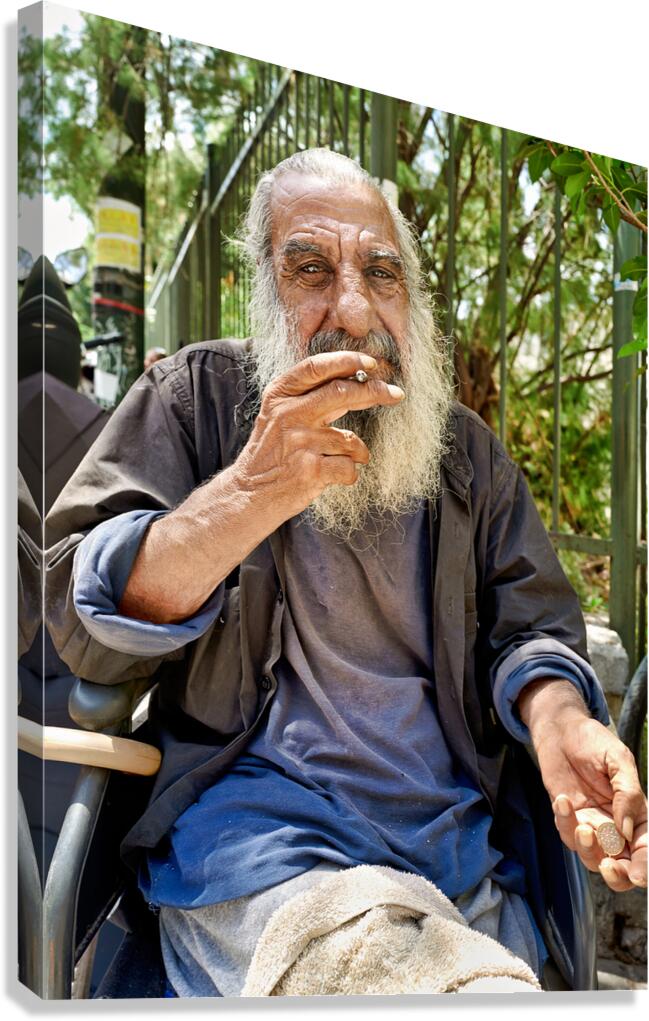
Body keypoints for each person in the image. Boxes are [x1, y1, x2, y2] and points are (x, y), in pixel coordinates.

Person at [45, 148, 647, 997]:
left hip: (458, 865)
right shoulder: (192, 403)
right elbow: (81, 613)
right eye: (312, 270)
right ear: (262, 292)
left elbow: (532, 628)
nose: (355, 308)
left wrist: (559, 726)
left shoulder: (464, 452)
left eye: (381, 273)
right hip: (259, 860)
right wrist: (249, 494)